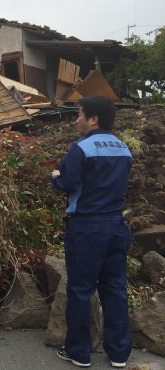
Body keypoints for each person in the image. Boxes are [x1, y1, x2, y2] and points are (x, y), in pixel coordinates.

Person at [52, 96, 133, 368]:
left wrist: (55, 176)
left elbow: (67, 182)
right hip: (115, 226)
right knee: (115, 289)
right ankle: (119, 353)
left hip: (87, 227)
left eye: (79, 114)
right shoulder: (123, 148)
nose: (77, 119)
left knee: (81, 289)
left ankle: (78, 351)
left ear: (93, 119)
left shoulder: (82, 148)